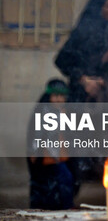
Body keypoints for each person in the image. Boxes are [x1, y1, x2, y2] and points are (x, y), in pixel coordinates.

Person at [54, 0, 108, 102]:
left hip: (107, 96)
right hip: (82, 95)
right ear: (99, 8)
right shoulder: (83, 32)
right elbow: (61, 60)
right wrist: (83, 78)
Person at [27, 78, 75, 209]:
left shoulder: (67, 112)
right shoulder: (42, 112)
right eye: (55, 96)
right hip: (46, 160)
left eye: (62, 96)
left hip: (62, 159)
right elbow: (35, 134)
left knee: (65, 185)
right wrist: (34, 151)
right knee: (44, 191)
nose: (59, 100)